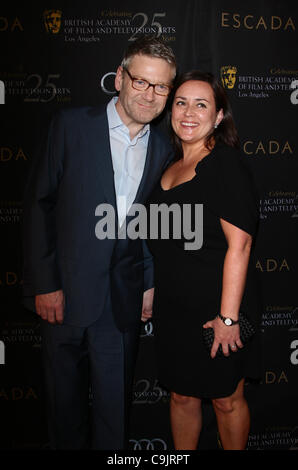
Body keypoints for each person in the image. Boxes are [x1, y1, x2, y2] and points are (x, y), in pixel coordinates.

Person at [22, 36, 176, 450]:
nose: (150, 94)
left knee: (115, 416)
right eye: (141, 81)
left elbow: (152, 222)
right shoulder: (71, 125)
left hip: (121, 303)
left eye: (161, 86)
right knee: (63, 411)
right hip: (64, 296)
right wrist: (44, 283)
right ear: (120, 77)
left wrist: (149, 281)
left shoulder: (165, 147)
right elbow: (40, 205)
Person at [147, 71, 261, 450]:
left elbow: (240, 246)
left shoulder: (224, 165)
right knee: (181, 396)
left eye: (201, 104)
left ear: (217, 116)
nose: (188, 112)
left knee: (226, 400)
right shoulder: (168, 164)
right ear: (171, 111)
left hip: (218, 308)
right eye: (181, 102)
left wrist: (227, 319)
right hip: (174, 310)